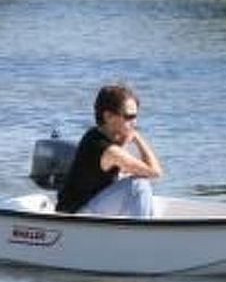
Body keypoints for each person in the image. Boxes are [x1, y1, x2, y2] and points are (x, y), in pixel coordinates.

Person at [55, 83, 164, 217]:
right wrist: (138, 138)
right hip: (76, 216)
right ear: (108, 116)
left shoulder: (95, 134)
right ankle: (140, 235)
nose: (135, 123)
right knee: (139, 185)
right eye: (129, 117)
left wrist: (128, 138)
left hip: (85, 208)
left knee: (134, 182)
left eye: (136, 116)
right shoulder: (107, 149)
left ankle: (138, 230)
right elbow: (155, 172)